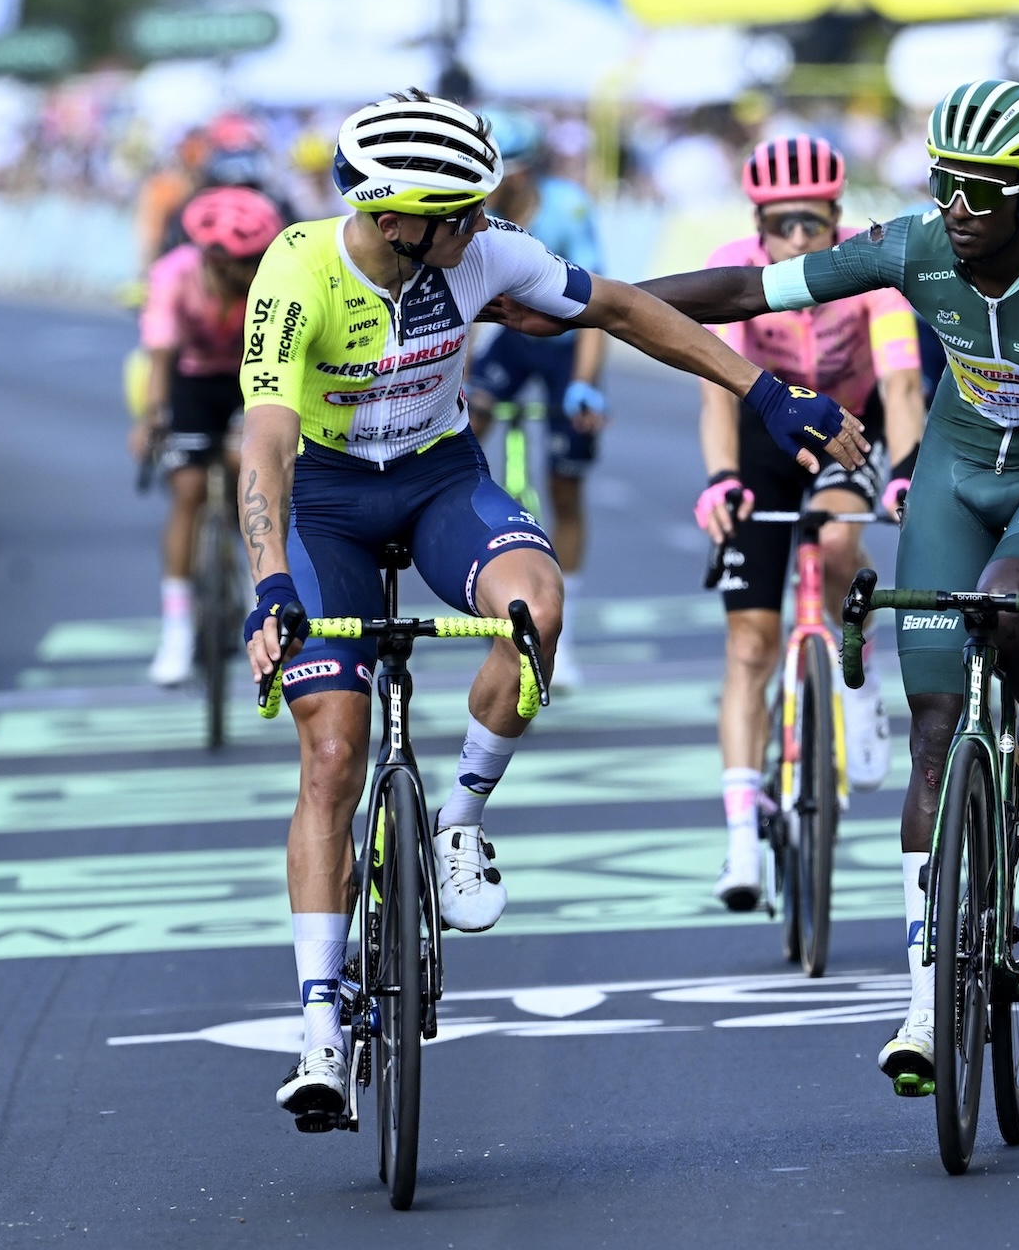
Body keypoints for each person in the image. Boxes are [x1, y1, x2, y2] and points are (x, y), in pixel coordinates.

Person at [243, 89, 866, 1128]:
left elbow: (622, 307)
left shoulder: (480, 255)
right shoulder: (299, 271)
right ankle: (316, 1022)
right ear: (400, 217)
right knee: (333, 751)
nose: (487, 225)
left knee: (535, 606)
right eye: (467, 212)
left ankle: (457, 823)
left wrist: (766, 393)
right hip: (325, 505)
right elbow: (262, 442)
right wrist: (270, 584)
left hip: (442, 481)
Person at [607, 80, 1019, 1090]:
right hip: (954, 467)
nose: (957, 209)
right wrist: (597, 297)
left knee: (1011, 597)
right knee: (934, 721)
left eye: (979, 192)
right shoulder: (915, 243)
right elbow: (754, 291)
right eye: (944, 184)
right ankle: (927, 999)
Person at [695, 135, 926, 910]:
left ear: (836, 216)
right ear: (759, 223)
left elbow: (899, 383)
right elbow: (715, 393)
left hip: (844, 429)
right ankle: (738, 841)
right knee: (750, 644)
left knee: (834, 538)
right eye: (782, 224)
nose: (797, 240)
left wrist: (903, 471)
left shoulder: (868, 266)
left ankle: (854, 687)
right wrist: (722, 481)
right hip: (762, 440)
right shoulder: (735, 264)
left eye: (812, 224)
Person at [466, 108, 612, 677]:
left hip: (566, 340)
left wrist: (583, 384)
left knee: (565, 485)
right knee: (469, 422)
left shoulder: (567, 208)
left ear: (520, 174)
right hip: (510, 339)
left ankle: (564, 640)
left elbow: (600, 305)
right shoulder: (472, 218)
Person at [134, 186, 285, 684]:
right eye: (224, 264)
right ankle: (176, 631)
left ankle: (258, 585)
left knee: (253, 472)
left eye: (247, 263)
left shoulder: (279, 275)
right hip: (193, 381)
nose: (235, 275)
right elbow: (160, 356)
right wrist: (153, 418)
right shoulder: (174, 272)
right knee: (189, 491)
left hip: (255, 379)